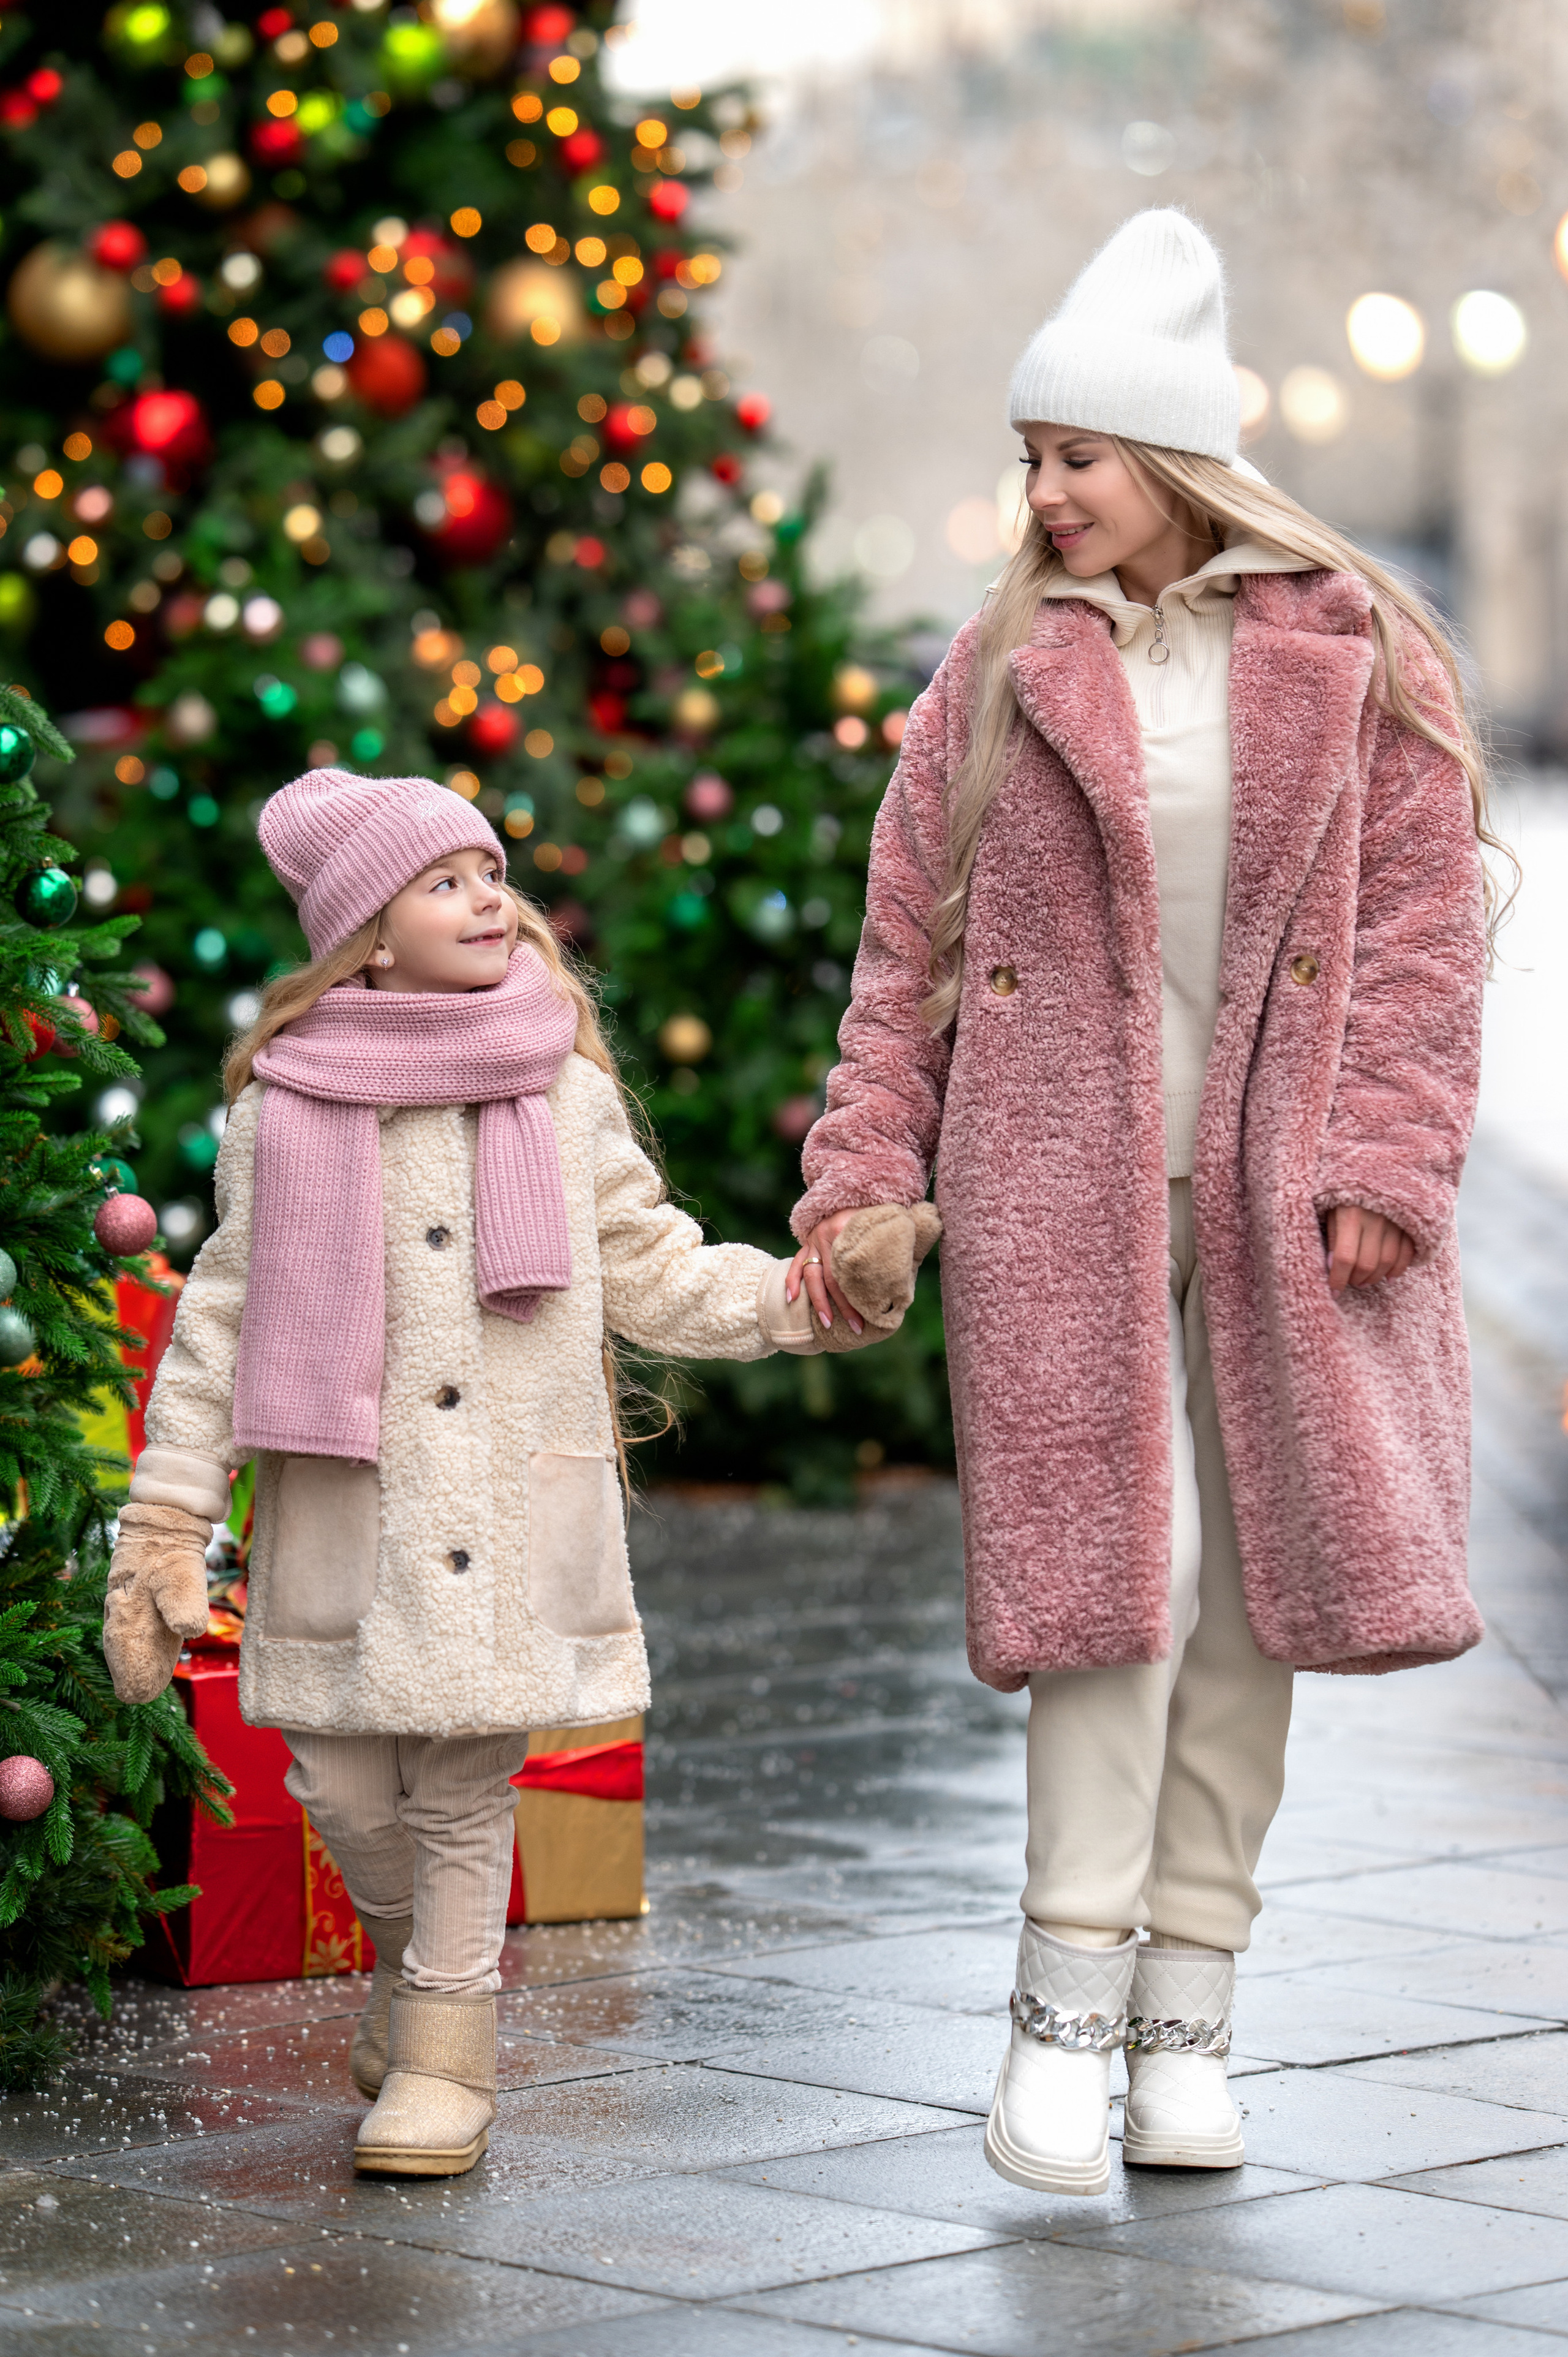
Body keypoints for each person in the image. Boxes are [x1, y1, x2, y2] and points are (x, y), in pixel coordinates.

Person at [788, 209, 1494, 2196]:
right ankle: (1061, 2006)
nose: (1046, 494)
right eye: (1032, 460)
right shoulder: (1002, 664)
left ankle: (1193, 2012)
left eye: (1078, 456)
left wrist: (1386, 1156)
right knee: (1119, 1590)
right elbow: (904, 940)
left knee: (1254, 1598)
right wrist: (867, 1166)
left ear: (1174, 457)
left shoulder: (1354, 654)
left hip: (1300, 1208)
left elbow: (1429, 936)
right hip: (1059, 1197)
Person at [101, 766, 921, 2180]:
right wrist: (167, 1519)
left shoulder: (559, 1086)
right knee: (342, 1789)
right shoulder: (283, 1109)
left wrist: (814, 1294)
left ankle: (445, 2046)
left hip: (497, 1509)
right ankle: (414, 1964)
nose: (491, 899)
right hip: (344, 1512)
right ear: (366, 932)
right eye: (447, 881)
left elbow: (656, 1273)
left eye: (492, 871)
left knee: (465, 1794)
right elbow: (220, 1324)